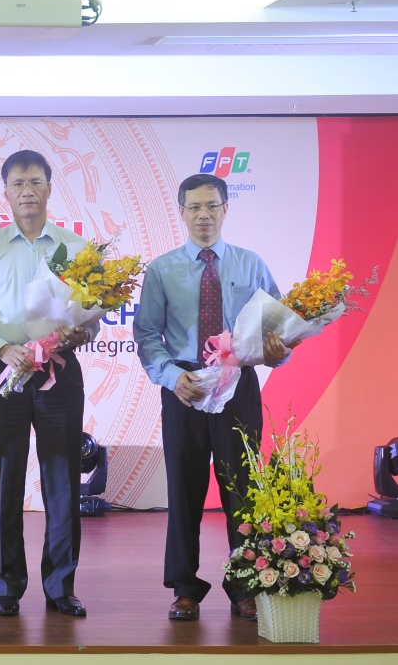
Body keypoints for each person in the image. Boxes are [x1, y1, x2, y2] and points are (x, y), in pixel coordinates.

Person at [133, 173, 293, 622]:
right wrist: (171, 377)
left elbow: (280, 327)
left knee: (242, 490)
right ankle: (185, 589)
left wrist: (278, 352)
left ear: (226, 209)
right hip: (185, 387)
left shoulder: (250, 264)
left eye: (212, 206)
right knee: (184, 490)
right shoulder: (161, 269)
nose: (203, 215)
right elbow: (147, 335)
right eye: (194, 207)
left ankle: (245, 585)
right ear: (181, 212)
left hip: (237, 384)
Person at [0, 149, 94, 618]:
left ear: (50, 188)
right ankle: (5, 585)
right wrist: (1, 348)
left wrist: (82, 332)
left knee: (62, 480)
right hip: (6, 371)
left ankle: (60, 586)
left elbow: (91, 315)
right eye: (18, 183)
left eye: (36, 182)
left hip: (59, 370)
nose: (28, 191)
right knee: (4, 479)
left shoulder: (76, 248)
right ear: (6, 192)